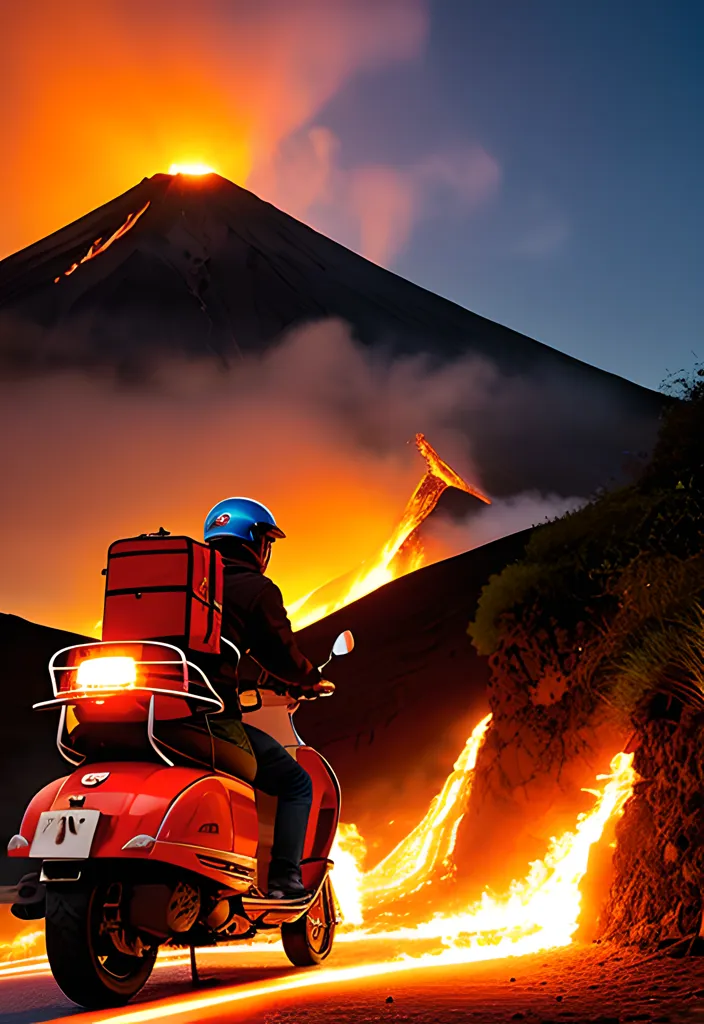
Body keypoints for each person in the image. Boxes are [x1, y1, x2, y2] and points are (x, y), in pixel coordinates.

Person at [203, 496, 332, 899]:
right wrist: (308, 681)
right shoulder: (253, 588)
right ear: (254, 541)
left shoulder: (186, 583)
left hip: (141, 712)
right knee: (297, 783)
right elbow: (280, 651)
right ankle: (284, 882)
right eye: (267, 542)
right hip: (207, 719)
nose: (266, 550)